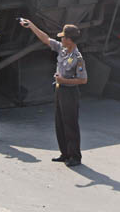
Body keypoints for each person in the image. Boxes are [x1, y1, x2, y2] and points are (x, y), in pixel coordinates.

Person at [20, 19, 87, 167]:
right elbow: (45, 39)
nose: (60, 39)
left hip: (70, 93)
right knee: (60, 123)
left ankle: (75, 156)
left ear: (69, 40)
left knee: (70, 125)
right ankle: (65, 153)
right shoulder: (62, 49)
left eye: (63, 37)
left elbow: (83, 80)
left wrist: (64, 80)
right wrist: (31, 25)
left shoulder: (77, 58)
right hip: (60, 91)